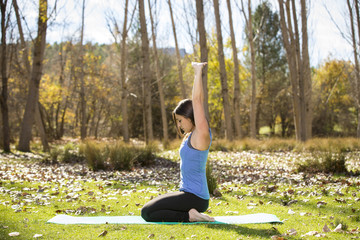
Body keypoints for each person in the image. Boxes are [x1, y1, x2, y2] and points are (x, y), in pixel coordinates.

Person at [141, 62, 215, 222]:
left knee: (147, 213)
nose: (179, 125)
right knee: (148, 211)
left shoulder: (201, 134)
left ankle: (190, 216)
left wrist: (198, 71)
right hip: (186, 193)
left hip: (196, 197)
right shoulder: (190, 135)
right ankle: (191, 214)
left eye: (180, 120)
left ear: (191, 118)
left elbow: (197, 100)